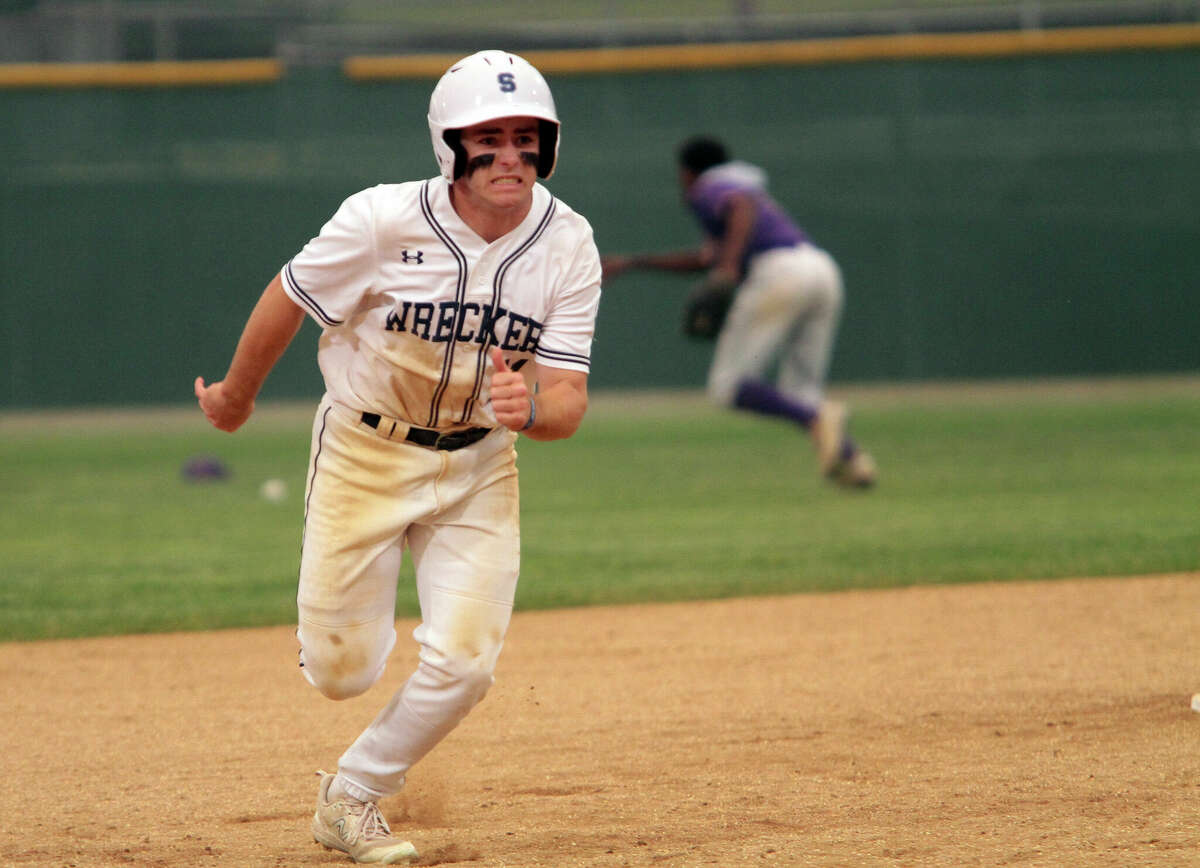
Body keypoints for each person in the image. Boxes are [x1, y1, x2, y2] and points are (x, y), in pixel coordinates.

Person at [195, 50, 602, 864]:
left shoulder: (568, 243)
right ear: (449, 144)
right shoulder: (381, 220)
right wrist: (238, 396)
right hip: (363, 451)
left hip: (479, 468)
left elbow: (567, 400)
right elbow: (289, 295)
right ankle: (341, 638)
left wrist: (536, 410)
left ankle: (352, 796)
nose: (511, 155)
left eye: (528, 138)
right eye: (489, 137)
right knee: (344, 672)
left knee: (467, 664)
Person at [602, 135, 875, 488]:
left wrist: (729, 268)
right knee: (800, 394)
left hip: (779, 274)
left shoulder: (710, 187)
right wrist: (635, 263)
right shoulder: (741, 187)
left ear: (687, 172)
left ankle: (823, 421)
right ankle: (853, 463)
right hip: (821, 270)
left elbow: (739, 206)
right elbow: (705, 258)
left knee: (728, 387)